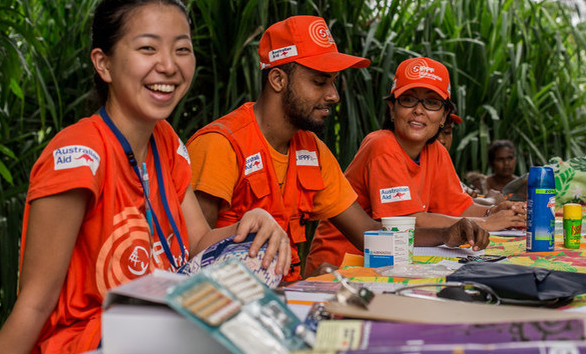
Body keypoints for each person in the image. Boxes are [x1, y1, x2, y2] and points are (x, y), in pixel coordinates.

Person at [0, 0, 291, 354]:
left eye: (182, 49)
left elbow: (197, 243)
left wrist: (253, 222)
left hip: (162, 332)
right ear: (104, 63)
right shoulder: (77, 156)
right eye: (148, 48)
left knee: (258, 267)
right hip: (95, 349)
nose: (168, 65)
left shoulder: (166, 141)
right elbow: (34, 304)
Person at [187, 17, 489, 281]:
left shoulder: (312, 151)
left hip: (291, 299)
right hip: (234, 311)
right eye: (320, 82)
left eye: (333, 82)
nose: (333, 95)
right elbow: (191, 258)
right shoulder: (221, 144)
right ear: (278, 79)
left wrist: (446, 235)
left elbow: (368, 233)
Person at [305, 57, 525, 273]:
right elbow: (409, 223)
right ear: (392, 109)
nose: (419, 110)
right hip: (343, 266)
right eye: (409, 99)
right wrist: (489, 224)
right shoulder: (381, 146)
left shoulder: (435, 150)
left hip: (392, 263)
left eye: (431, 102)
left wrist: (492, 211)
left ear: (444, 116)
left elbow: (459, 207)